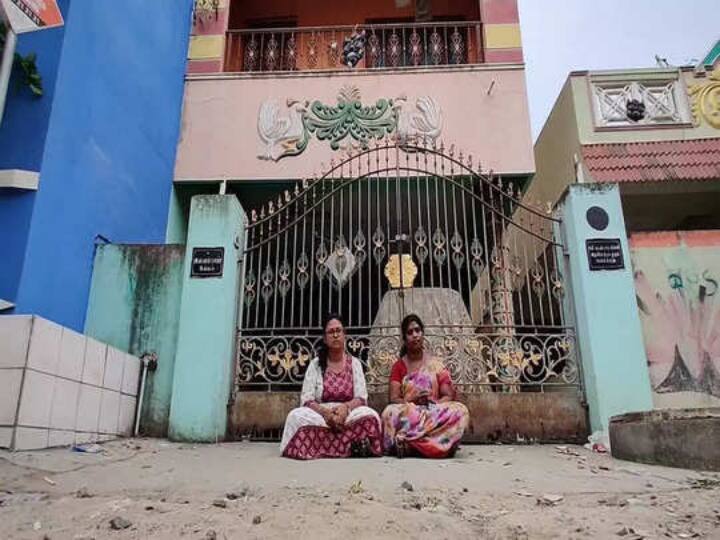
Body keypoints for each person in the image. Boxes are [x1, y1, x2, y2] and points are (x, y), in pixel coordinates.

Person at [280, 313, 383, 459]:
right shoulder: (315, 364)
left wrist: (345, 409)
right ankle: (350, 445)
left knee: (370, 415)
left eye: (338, 331)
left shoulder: (355, 363)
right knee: (295, 416)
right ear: (324, 338)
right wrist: (325, 413)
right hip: (321, 416)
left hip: (347, 413)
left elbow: (361, 398)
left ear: (344, 334)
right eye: (331, 332)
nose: (335, 335)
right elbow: (307, 399)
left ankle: (314, 446)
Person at [381, 314, 470, 458]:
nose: (415, 335)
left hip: (433, 412)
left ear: (423, 333)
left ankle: (410, 444)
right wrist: (411, 399)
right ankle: (439, 445)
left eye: (417, 330)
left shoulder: (436, 364)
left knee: (461, 411)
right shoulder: (399, 366)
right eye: (410, 332)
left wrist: (434, 403)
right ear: (404, 338)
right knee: (389, 413)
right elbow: (393, 399)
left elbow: (448, 395)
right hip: (411, 412)